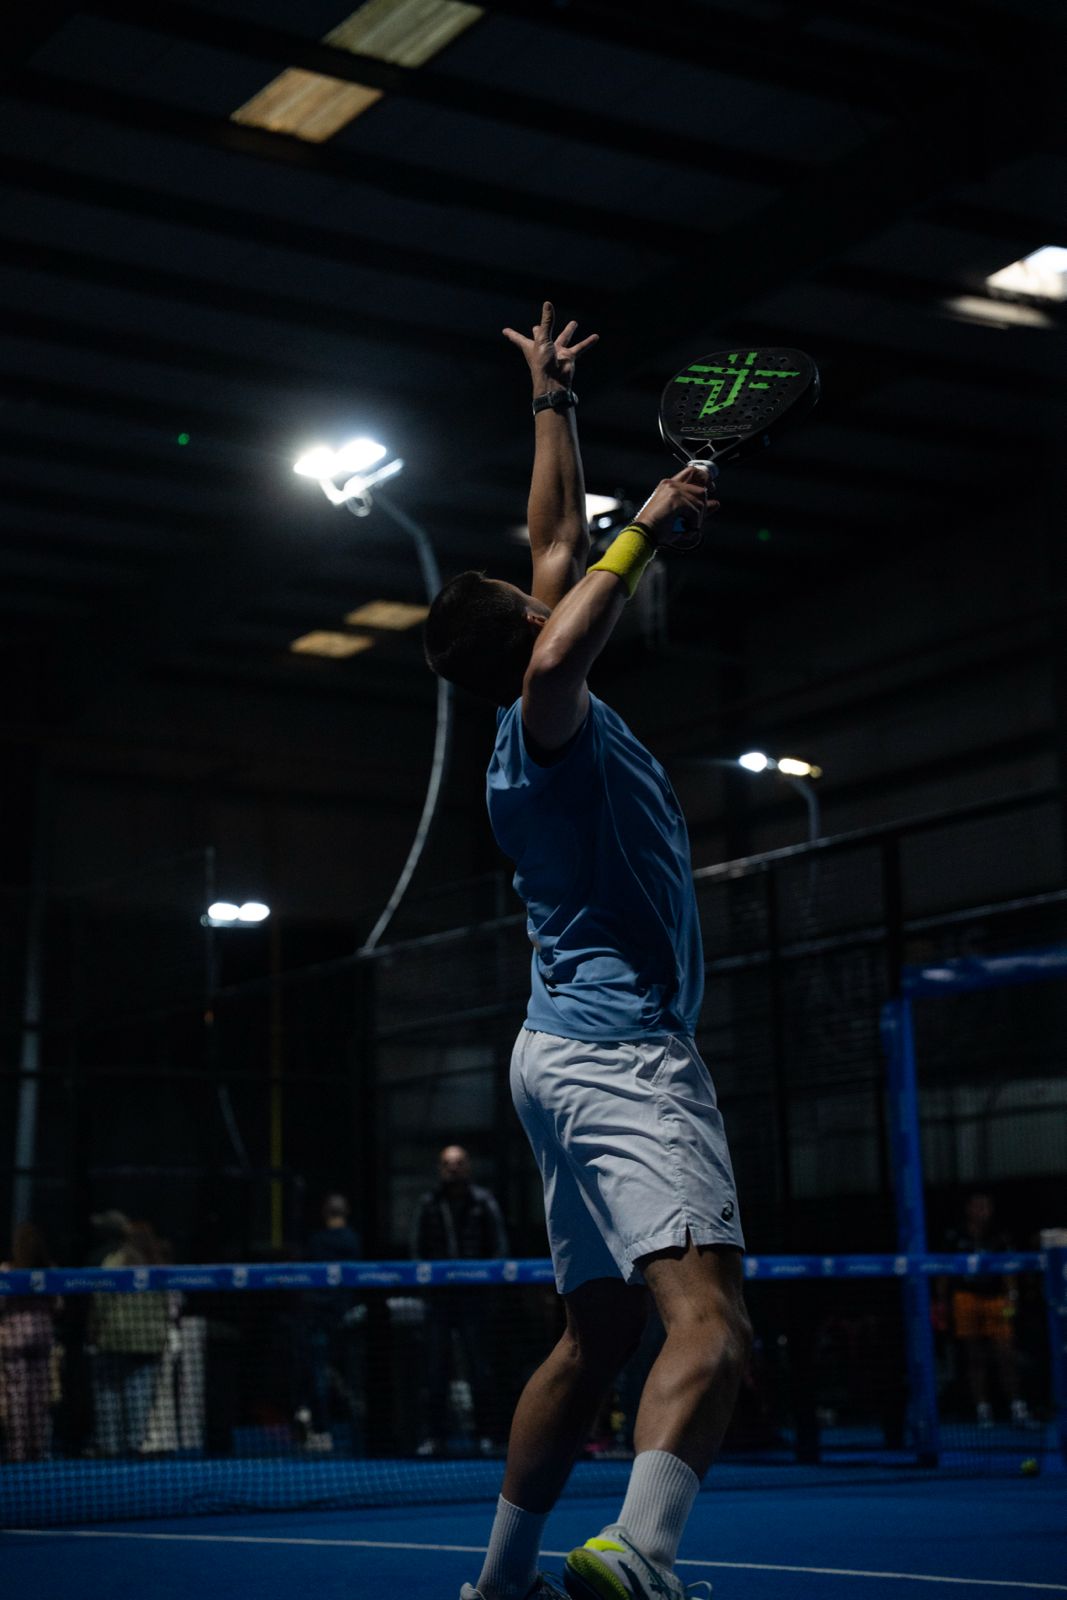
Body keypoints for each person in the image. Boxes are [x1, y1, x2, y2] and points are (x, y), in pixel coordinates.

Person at [423, 304, 750, 1600]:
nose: (539, 576)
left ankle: (494, 1586)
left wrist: (548, 402)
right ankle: (640, 1555)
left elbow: (551, 539)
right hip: (621, 1057)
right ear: (519, 642)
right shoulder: (544, 722)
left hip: (552, 1057)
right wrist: (653, 519)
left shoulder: (529, 700)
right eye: (526, 602)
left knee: (594, 1331)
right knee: (710, 1326)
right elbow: (571, 596)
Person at [411, 1145, 510, 1457]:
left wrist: (487, 1285)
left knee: (481, 1369)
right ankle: (434, 1437)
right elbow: (417, 1249)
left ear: (468, 1167)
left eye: (458, 1163)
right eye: (446, 1163)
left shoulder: (484, 1202)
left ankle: (487, 1436)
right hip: (439, 1301)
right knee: (434, 1370)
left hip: (474, 1301)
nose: (452, 1168)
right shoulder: (428, 1204)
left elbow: (500, 1247)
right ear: (440, 1168)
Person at [936, 1191, 1034, 1429]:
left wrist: (1012, 1297)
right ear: (968, 1208)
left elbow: (1009, 1269)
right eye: (977, 1205)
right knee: (974, 1356)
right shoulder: (955, 1236)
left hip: (996, 1300)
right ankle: (983, 1411)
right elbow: (942, 1271)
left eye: (986, 1206)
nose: (982, 1210)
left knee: (1006, 1356)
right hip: (965, 1299)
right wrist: (940, 1301)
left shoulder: (1000, 1236)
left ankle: (1017, 1408)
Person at [294, 1194, 365, 1452]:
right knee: (352, 1377)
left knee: (319, 1374)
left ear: (325, 1212)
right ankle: (361, 1432)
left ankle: (323, 1431)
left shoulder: (316, 1242)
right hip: (346, 1318)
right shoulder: (353, 1240)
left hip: (321, 1319)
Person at [0, 1222, 60, 1463]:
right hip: (41, 1340)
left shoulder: (6, 1270)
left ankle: (18, 1452)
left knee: (16, 1397)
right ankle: (38, 1450)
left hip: (12, 1341)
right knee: (38, 1396)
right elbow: (58, 1305)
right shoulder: (50, 1271)